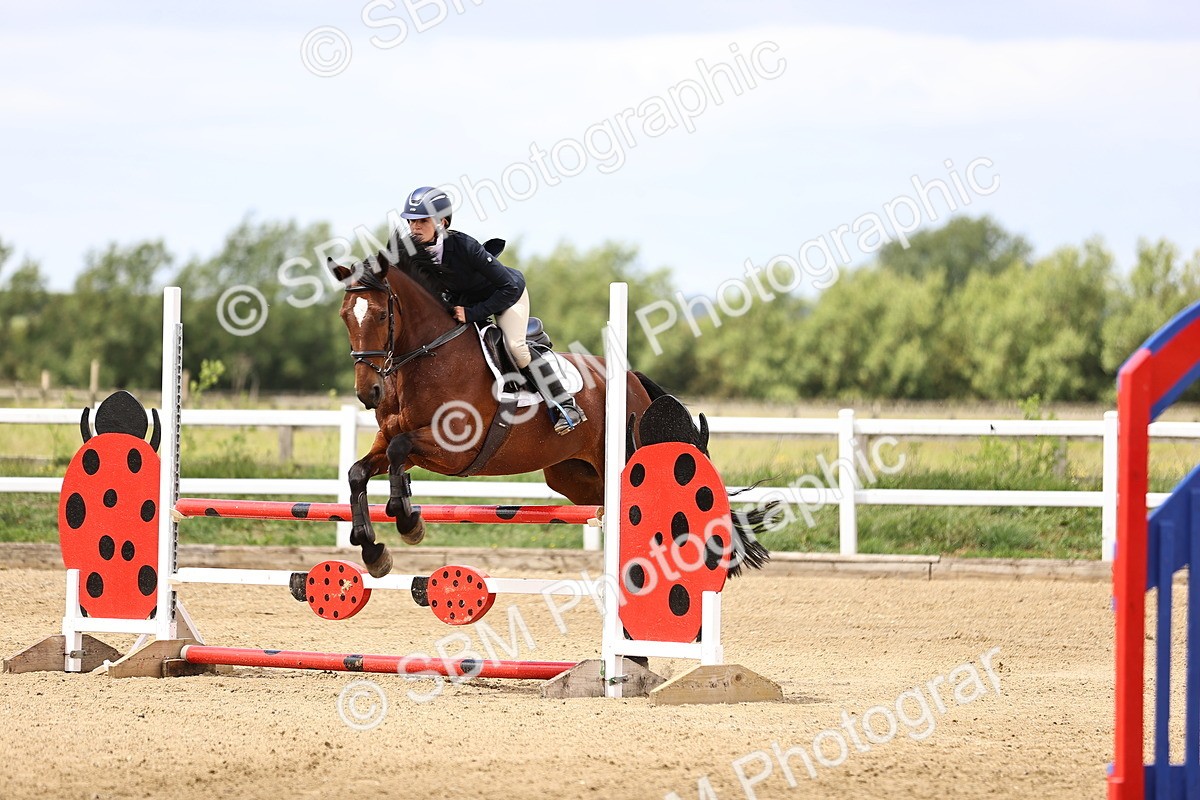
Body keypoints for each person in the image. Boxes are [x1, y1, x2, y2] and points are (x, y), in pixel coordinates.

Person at [399, 186, 586, 435]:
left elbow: (508, 287)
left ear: (441, 222)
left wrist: (474, 313)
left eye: (422, 221)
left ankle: (565, 405)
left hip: (506, 296)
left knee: (516, 349)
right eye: (411, 222)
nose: (414, 228)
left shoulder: (464, 246)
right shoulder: (410, 253)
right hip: (464, 303)